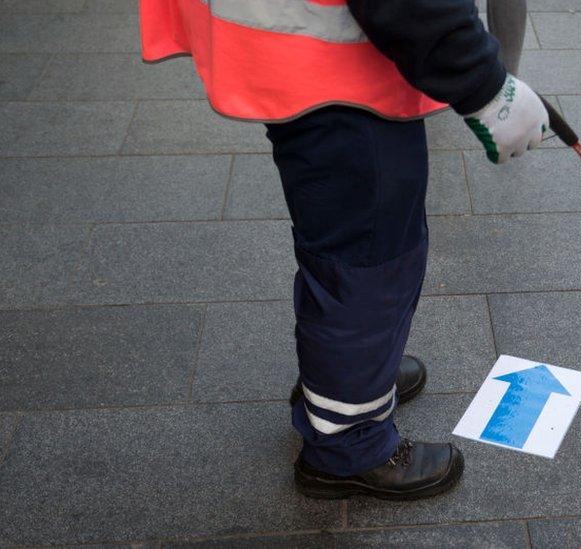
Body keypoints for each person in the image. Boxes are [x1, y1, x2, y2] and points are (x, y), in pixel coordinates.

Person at [139, 0, 548, 501]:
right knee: (367, 260)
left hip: (307, 46)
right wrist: (483, 83)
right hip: (339, 65)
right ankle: (347, 444)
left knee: (347, 240)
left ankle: (345, 382)